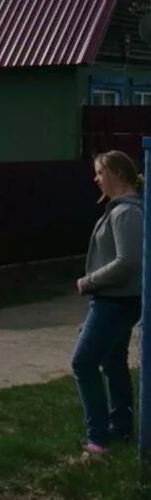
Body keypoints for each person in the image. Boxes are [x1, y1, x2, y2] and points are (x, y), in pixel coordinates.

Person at [74, 150, 145, 456]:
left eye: (100, 172)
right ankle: (121, 430)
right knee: (113, 363)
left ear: (118, 174)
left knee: (83, 362)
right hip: (117, 301)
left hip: (115, 302)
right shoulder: (121, 209)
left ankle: (98, 441)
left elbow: (127, 262)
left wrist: (88, 282)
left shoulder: (126, 212)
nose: (96, 178)